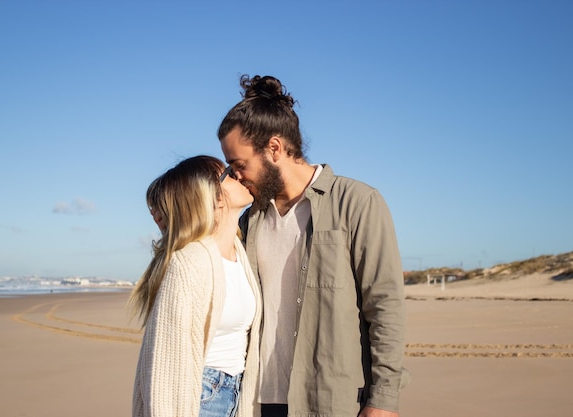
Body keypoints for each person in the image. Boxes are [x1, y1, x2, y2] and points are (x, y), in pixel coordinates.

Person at [217, 75, 409, 417]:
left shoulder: (357, 202)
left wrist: (384, 399)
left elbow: (385, 306)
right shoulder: (251, 219)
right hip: (260, 399)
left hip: (331, 400)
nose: (235, 176)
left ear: (274, 148)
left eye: (239, 165)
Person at [129, 155, 262, 417]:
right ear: (215, 197)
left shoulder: (240, 253)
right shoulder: (188, 262)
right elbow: (164, 366)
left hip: (233, 394)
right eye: (228, 173)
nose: (238, 175)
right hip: (199, 396)